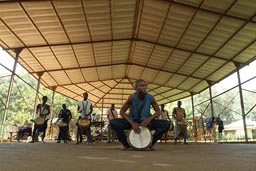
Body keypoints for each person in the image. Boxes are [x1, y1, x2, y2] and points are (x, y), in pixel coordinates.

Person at [110, 79, 170, 151]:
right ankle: (126, 144)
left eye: (145, 86)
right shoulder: (131, 97)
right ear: (136, 88)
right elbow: (122, 111)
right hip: (133, 121)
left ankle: (150, 143)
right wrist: (132, 123)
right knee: (113, 122)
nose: (144, 87)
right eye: (142, 86)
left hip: (146, 122)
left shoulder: (151, 98)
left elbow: (158, 111)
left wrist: (148, 119)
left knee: (166, 124)